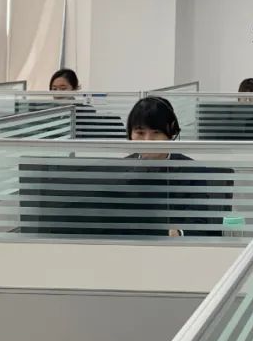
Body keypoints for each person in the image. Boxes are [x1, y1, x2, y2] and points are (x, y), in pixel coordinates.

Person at [20, 97, 231, 237]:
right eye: (140, 133)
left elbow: (203, 227)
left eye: (156, 133)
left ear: (172, 133)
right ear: (130, 134)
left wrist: (177, 233)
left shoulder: (192, 172)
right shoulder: (119, 170)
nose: (147, 141)